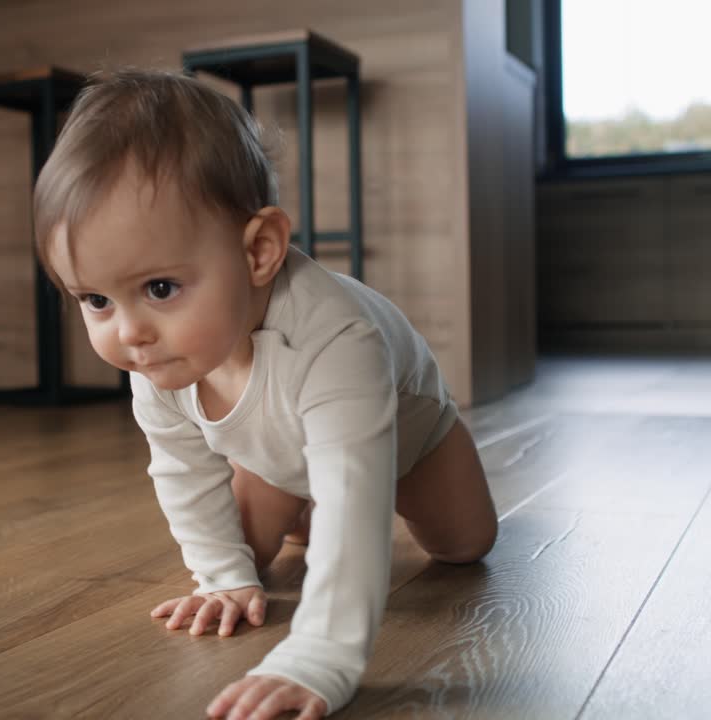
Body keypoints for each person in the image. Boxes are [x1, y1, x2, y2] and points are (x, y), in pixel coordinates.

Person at [32, 69, 498, 719]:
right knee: (243, 562)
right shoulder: (158, 354)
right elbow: (181, 470)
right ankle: (299, 505)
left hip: (408, 439)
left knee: (461, 545)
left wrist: (318, 658)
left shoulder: (336, 338)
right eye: (96, 299)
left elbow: (358, 497)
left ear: (259, 251)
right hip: (276, 450)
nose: (130, 332)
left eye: (160, 288)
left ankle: (319, 505)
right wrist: (221, 579)